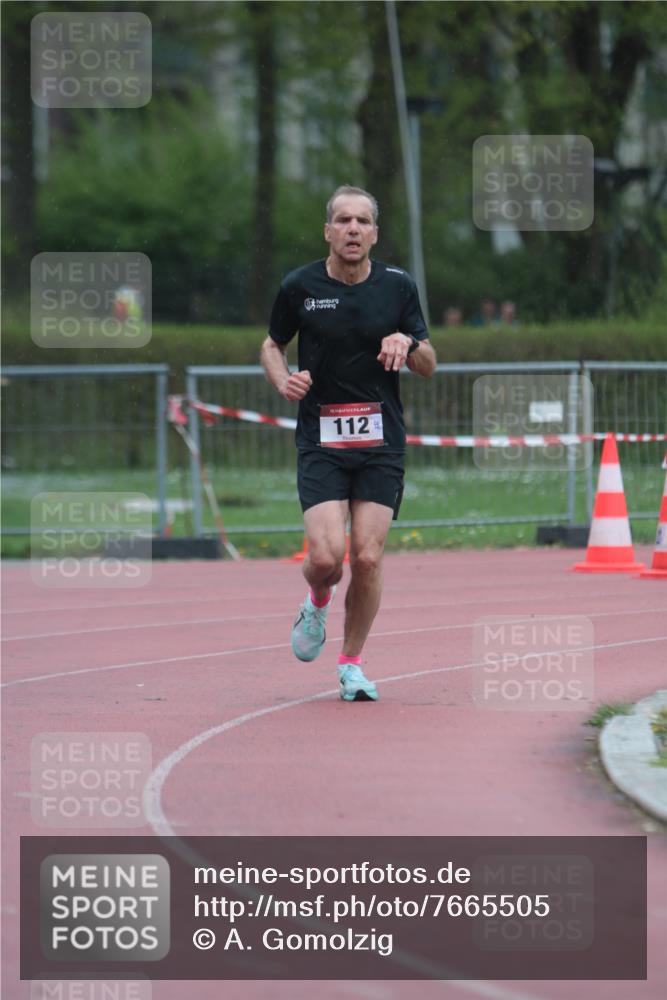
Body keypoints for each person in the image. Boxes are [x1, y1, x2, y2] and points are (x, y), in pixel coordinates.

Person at [260, 185, 436, 703]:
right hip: (321, 438)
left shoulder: (398, 287)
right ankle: (316, 599)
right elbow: (272, 344)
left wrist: (409, 345)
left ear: (375, 233)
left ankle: (352, 665)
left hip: (381, 441)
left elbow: (429, 364)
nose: (353, 229)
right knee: (327, 557)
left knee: (368, 558)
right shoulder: (299, 286)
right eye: (343, 220)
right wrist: (281, 379)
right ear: (328, 231)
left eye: (363, 221)